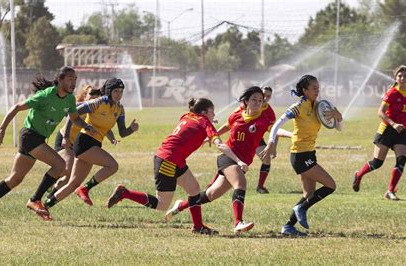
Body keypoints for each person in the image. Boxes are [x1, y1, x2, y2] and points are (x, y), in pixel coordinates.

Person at [0, 66, 94, 224]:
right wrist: (1, 128)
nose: (73, 82)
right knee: (60, 166)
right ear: (60, 80)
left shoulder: (70, 99)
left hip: (38, 139)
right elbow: (16, 108)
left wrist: (86, 125)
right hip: (30, 136)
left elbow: (75, 117)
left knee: (15, 179)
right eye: (70, 78)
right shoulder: (44, 96)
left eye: (75, 79)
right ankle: (35, 200)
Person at [106, 98, 246, 235]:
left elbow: (195, 124)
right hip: (168, 161)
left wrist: (208, 121)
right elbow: (220, 145)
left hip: (172, 159)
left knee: (194, 189)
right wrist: (239, 161)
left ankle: (198, 227)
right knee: (162, 205)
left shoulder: (187, 115)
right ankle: (124, 193)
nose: (214, 114)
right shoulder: (204, 123)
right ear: (203, 112)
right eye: (212, 112)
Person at [165, 86, 275, 234]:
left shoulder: (264, 119)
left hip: (242, 161)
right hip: (228, 157)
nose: (257, 102)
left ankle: (181, 205)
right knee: (240, 183)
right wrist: (211, 136)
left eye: (260, 100)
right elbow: (227, 126)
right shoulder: (237, 115)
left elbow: (276, 130)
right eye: (254, 99)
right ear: (246, 101)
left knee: (211, 195)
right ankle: (238, 223)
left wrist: (277, 141)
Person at [260, 75, 343, 236]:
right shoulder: (298, 107)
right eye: (314, 88)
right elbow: (277, 124)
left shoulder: (320, 107)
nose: (317, 91)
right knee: (331, 185)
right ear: (304, 90)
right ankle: (301, 208)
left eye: (318, 88)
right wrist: (271, 141)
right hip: (300, 155)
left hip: (310, 153)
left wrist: (338, 116)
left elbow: (339, 128)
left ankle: (288, 226)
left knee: (308, 194)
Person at [44, 78, 138, 212]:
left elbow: (122, 132)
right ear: (109, 91)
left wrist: (132, 129)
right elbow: (73, 114)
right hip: (84, 142)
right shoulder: (99, 102)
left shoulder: (120, 109)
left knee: (73, 183)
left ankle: (45, 205)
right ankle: (85, 188)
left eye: (121, 91)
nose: (119, 94)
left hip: (95, 144)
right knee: (112, 165)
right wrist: (65, 136)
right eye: (116, 91)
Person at [352, 65, 406, 200]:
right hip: (386, 130)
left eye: (405, 76)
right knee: (377, 163)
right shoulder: (392, 93)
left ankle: (390, 191)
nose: (402, 78)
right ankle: (358, 175)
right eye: (399, 76)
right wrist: (393, 124)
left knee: (401, 161)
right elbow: (380, 112)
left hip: (401, 132)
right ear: (396, 78)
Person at [48, 85, 102, 198]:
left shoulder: (97, 110)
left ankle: (50, 197)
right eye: (91, 94)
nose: (94, 97)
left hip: (78, 145)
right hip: (64, 140)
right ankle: (52, 178)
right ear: (84, 96)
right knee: (67, 169)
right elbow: (67, 112)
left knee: (69, 177)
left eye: (97, 96)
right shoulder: (78, 106)